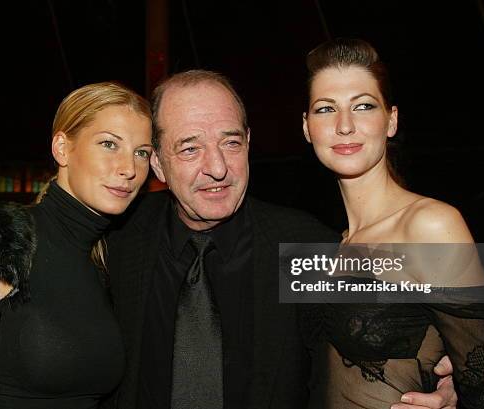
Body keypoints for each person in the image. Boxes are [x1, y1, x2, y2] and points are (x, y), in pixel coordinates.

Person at [103, 69, 459, 409]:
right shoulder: (116, 237)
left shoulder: (308, 248)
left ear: (248, 144)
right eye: (190, 149)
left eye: (230, 142)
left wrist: (441, 381)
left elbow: (388, 340)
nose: (217, 167)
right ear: (158, 164)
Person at [300, 38, 484, 408]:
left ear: (391, 120)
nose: (345, 125)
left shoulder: (430, 225)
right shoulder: (332, 243)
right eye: (325, 109)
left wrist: (456, 398)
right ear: (306, 128)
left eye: (363, 106)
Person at [0, 81, 153, 408]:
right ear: (62, 148)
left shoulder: (100, 258)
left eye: (141, 152)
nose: (129, 168)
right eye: (109, 144)